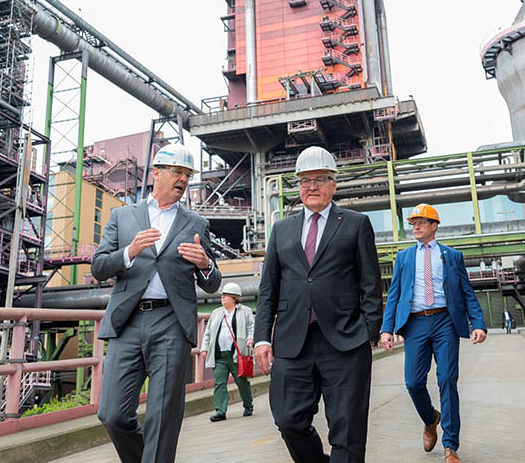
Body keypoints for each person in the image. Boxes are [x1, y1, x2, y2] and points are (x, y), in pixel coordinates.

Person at [92, 143, 221, 463]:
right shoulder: (122, 217)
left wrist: (205, 264)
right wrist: (129, 252)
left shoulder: (195, 224)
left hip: (171, 324)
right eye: (176, 172)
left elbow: (213, 283)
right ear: (157, 173)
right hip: (127, 323)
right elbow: (99, 268)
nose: (182, 180)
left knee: (162, 416)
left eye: (187, 175)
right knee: (112, 415)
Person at [253, 146, 383, 463]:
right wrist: (261, 337)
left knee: (348, 430)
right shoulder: (281, 229)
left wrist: (369, 329)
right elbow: (268, 287)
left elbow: (371, 283)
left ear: (333, 184)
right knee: (288, 420)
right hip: (292, 342)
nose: (312, 186)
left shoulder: (355, 224)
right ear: (298, 186)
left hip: (346, 341)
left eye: (320, 179)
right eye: (305, 180)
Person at [380, 203, 487, 463]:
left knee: (447, 379)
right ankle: (430, 420)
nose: (415, 227)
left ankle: (451, 447)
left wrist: (479, 323)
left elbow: (466, 293)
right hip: (415, 324)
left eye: (421, 222)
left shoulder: (452, 256)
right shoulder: (404, 257)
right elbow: (394, 295)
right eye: (413, 223)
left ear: (434, 226)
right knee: (413, 383)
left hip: (445, 322)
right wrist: (386, 329)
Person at [200, 282, 255, 422]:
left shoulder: (245, 311)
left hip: (237, 354)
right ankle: (220, 411)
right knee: (219, 383)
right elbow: (207, 333)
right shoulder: (216, 313)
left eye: (225, 295)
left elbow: (251, 327)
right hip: (219, 356)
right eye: (222, 295)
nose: (222, 298)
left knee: (242, 382)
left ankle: (248, 405)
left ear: (234, 298)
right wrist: (204, 348)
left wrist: (250, 338)